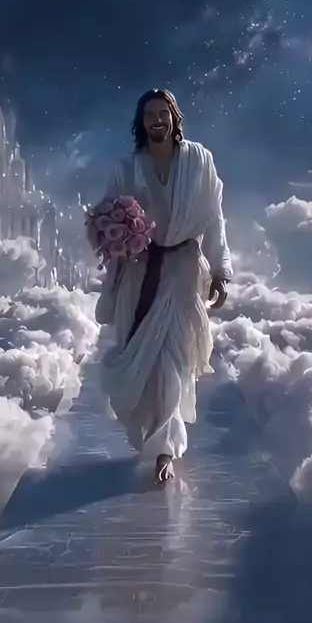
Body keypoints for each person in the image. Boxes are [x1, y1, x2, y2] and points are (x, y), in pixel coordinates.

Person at [96, 89, 232, 483]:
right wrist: (119, 244)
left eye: (163, 113)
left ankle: (164, 451)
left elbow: (214, 218)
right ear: (141, 122)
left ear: (174, 117)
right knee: (146, 365)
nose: (157, 120)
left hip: (183, 273)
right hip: (140, 274)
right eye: (149, 114)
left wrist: (221, 270)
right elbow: (107, 219)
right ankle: (153, 437)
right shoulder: (127, 169)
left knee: (173, 362)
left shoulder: (198, 160)